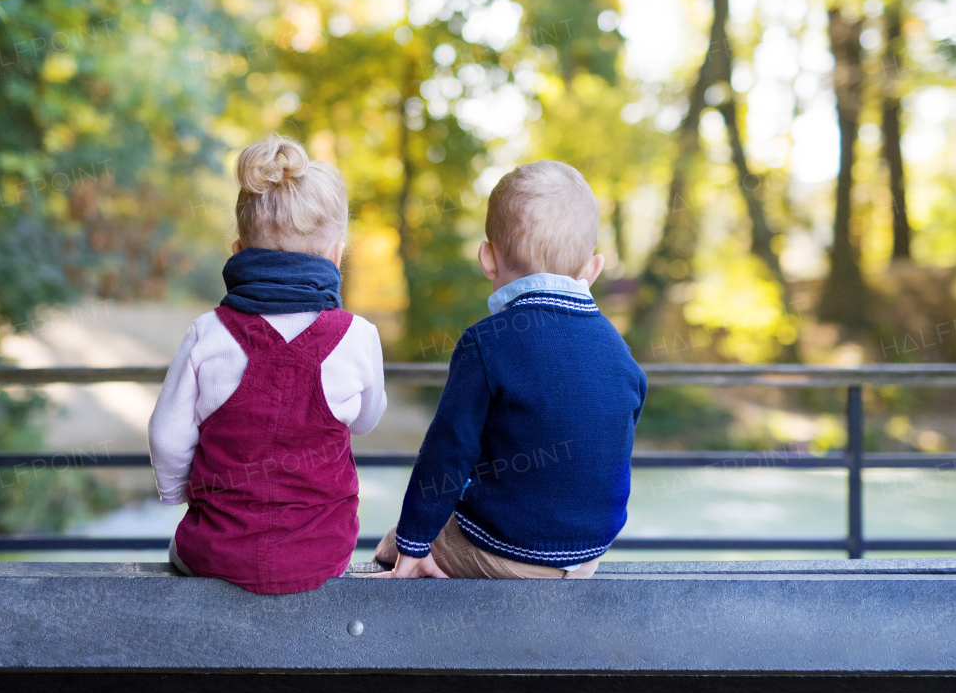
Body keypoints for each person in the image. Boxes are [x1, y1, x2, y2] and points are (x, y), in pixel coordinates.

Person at [372, 160, 646, 580]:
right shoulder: (618, 348)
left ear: (487, 258)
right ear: (592, 270)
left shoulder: (488, 342)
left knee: (396, 543)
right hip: (588, 553)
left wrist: (412, 541)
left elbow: (448, 452)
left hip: (509, 548)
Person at [149, 135, 386, 594]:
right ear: (337, 255)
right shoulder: (358, 336)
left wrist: (178, 496)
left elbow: (166, 436)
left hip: (216, 554)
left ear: (238, 251)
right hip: (322, 555)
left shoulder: (208, 333)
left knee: (183, 554)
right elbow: (365, 421)